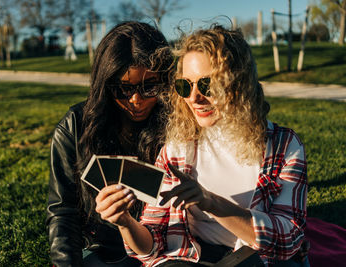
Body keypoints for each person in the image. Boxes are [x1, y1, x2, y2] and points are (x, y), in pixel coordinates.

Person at [95, 25, 308, 266]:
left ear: (238, 83)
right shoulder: (177, 149)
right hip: (191, 257)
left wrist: (210, 202)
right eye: (185, 86)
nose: (194, 98)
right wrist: (124, 222)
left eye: (207, 85)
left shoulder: (283, 147)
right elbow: (153, 245)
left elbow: (289, 239)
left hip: (255, 258)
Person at [46, 21, 174, 266]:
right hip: (102, 251)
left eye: (150, 87)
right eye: (123, 89)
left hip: (165, 248)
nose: (136, 100)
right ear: (105, 84)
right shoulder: (76, 125)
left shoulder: (176, 124)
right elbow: (63, 211)